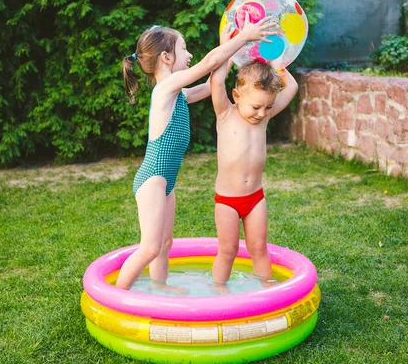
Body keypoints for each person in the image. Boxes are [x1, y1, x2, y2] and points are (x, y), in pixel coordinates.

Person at [116, 16, 276, 290]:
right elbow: (207, 65)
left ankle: (159, 286)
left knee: (165, 244)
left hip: (165, 182)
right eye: (184, 48)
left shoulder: (178, 93)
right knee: (150, 246)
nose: (189, 55)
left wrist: (227, 53)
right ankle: (118, 297)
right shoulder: (165, 88)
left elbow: (212, 84)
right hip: (153, 179)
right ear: (166, 57)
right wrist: (242, 38)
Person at [209, 36, 298, 288]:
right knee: (228, 250)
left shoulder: (265, 116)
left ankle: (268, 291)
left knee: (259, 247)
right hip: (227, 200)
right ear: (236, 95)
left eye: (268, 107)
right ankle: (218, 291)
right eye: (257, 107)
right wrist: (229, 49)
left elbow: (290, 88)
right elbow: (217, 81)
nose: (262, 113)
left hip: (255, 198)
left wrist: (278, 66)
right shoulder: (225, 113)